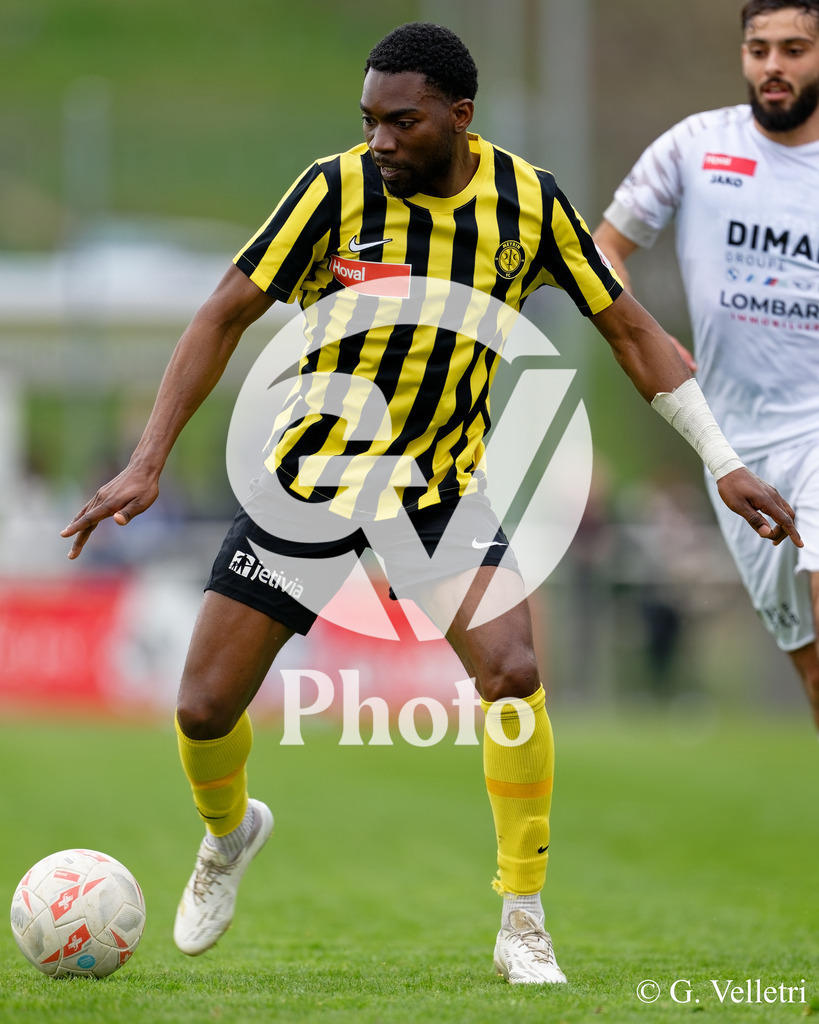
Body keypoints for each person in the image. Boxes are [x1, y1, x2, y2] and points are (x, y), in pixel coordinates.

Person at [61, 22, 800, 985]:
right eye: (367, 120)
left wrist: (721, 459)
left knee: (513, 670)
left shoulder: (529, 205)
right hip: (310, 485)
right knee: (203, 709)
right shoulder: (332, 191)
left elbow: (628, 326)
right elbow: (222, 313)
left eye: (400, 123)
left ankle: (523, 919)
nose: (379, 141)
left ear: (460, 116)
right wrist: (148, 459)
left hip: (438, 492)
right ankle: (229, 833)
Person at [594, 0, 819, 732]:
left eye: (793, 48)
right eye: (759, 49)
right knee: (808, 664)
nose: (773, 67)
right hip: (733, 446)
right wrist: (648, 331)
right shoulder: (695, 145)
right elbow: (603, 252)